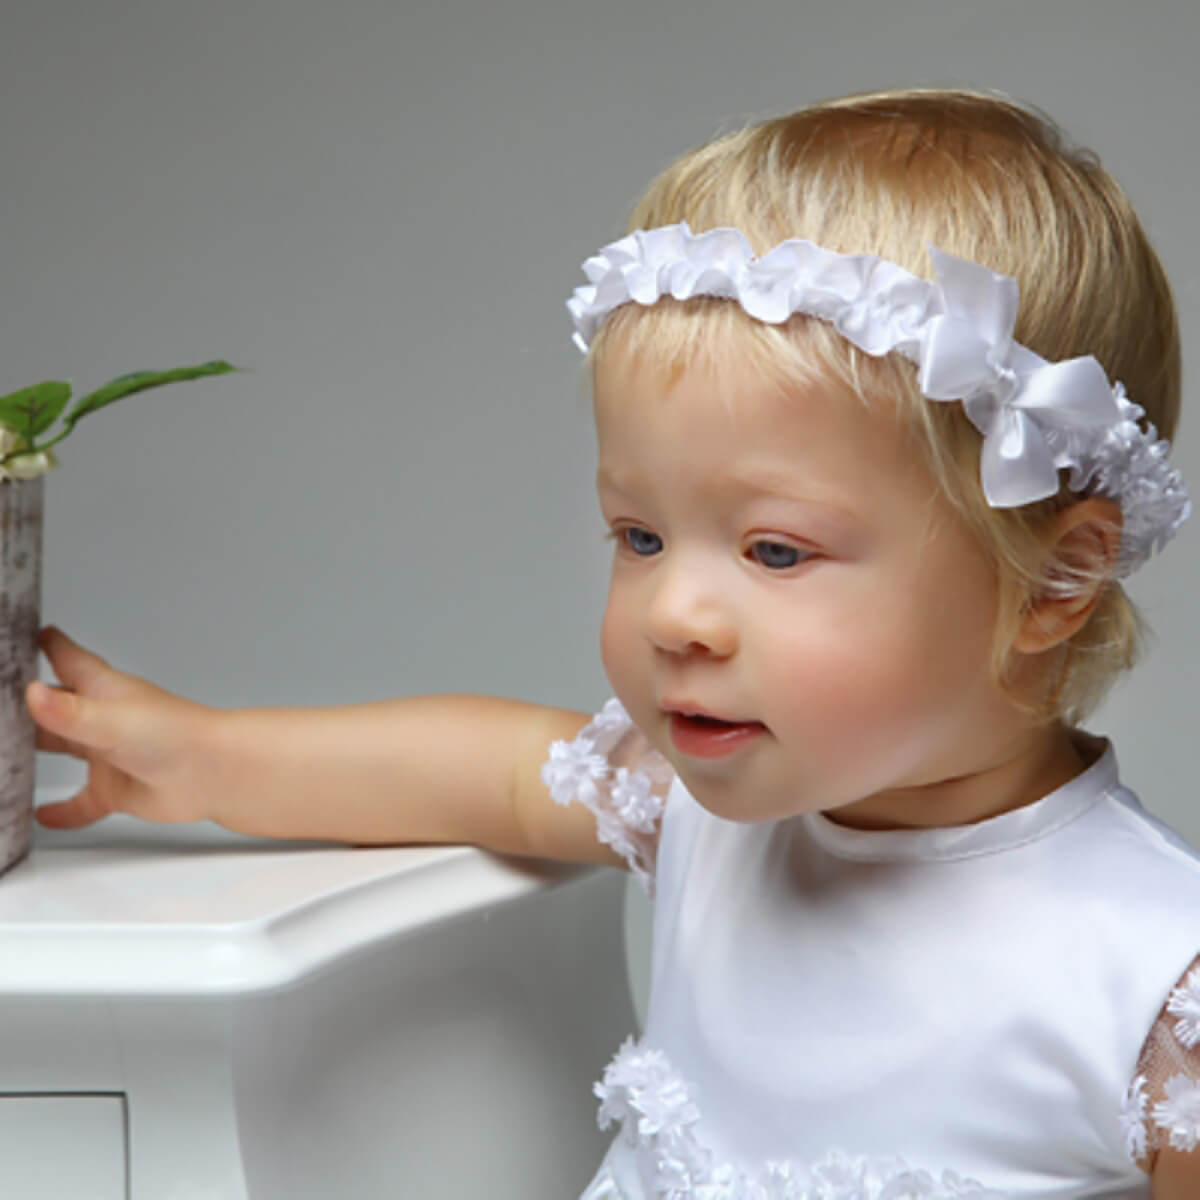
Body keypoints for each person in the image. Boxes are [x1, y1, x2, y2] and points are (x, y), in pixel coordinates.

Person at [25, 88, 1200, 1198]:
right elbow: (480, 770)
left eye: (775, 552)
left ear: (1057, 576)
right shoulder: (704, 815)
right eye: (639, 535)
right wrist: (203, 755)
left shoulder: (1153, 973)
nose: (671, 614)